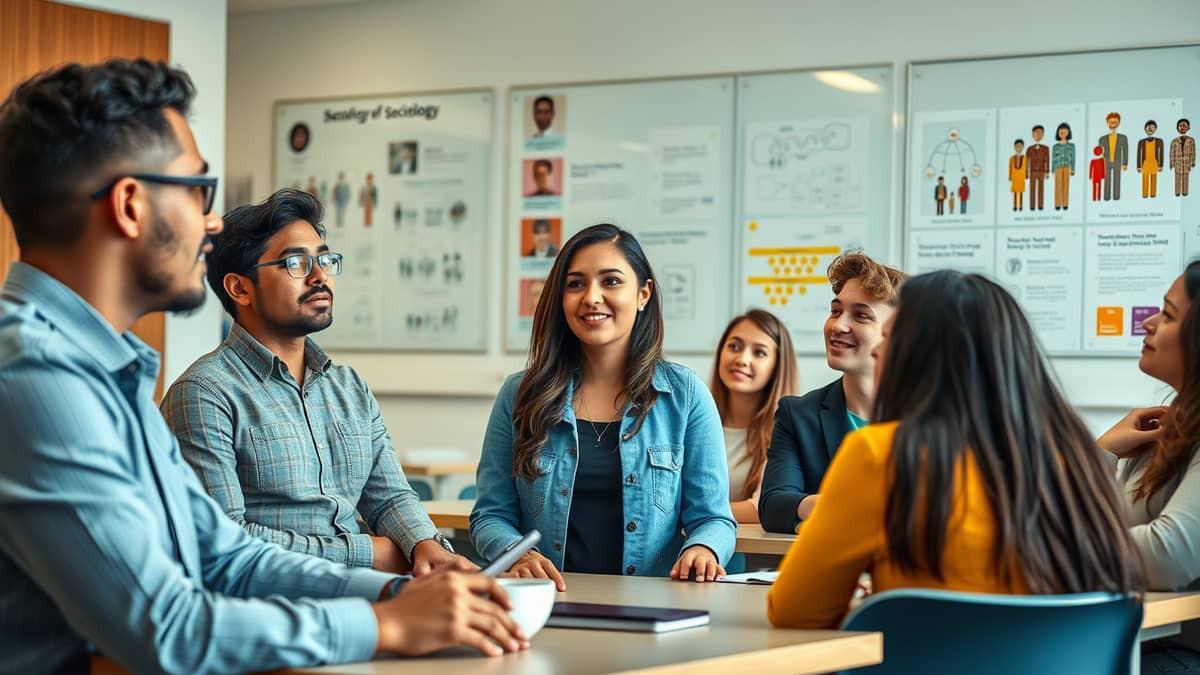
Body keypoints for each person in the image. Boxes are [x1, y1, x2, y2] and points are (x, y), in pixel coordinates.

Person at [0, 59, 525, 673]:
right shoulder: (34, 375)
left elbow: (224, 557)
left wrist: (403, 595)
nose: (212, 222)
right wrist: (383, 622)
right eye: (199, 191)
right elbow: (169, 627)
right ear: (131, 205)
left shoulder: (104, 370)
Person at [767, 270, 1142, 628]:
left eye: (891, 337)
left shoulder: (880, 453)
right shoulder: (1071, 454)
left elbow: (793, 610)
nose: (879, 352)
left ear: (926, 357)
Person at [162, 188, 473, 576]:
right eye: (295, 262)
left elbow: (389, 496)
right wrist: (368, 555)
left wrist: (426, 545)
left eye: (324, 259)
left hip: (365, 595)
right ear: (240, 288)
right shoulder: (204, 394)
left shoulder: (348, 386)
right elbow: (221, 539)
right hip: (273, 605)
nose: (320, 276)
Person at [471, 223, 736, 590]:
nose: (591, 297)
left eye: (611, 281)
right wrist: (517, 553)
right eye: (576, 284)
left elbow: (714, 519)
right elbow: (490, 515)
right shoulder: (520, 394)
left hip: (651, 608)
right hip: (548, 604)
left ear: (644, 294)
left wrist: (703, 549)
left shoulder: (685, 395)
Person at [758, 252, 905, 533]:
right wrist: (841, 507)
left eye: (861, 315)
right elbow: (774, 506)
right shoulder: (798, 414)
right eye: (836, 311)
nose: (838, 326)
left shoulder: (932, 416)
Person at [1099, 260, 1200, 590]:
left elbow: (1168, 556)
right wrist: (1101, 452)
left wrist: (1055, 545)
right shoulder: (1169, 426)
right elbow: (1105, 523)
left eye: (1168, 315)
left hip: (1174, 640)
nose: (1149, 323)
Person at [709, 310, 798, 523]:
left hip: (748, 553)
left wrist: (692, 514)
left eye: (759, 353)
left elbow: (761, 509)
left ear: (777, 366)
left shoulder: (785, 431)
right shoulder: (691, 421)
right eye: (734, 347)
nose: (742, 359)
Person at [1100, 112, 1129, 201]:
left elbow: (1125, 150)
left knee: (1117, 179)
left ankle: (1116, 197)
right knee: (1107, 179)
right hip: (1106, 163)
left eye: (1115, 122)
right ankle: (1106, 197)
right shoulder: (1102, 139)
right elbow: (1100, 153)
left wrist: (1125, 164)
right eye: (1111, 122)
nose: (1113, 124)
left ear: (1118, 123)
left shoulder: (1123, 137)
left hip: (1117, 162)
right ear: (1107, 123)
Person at [1052, 122, 1076, 210]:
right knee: (1057, 186)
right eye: (1061, 132)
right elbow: (1053, 159)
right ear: (1058, 133)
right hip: (1057, 167)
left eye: (1065, 132)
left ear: (1068, 133)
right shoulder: (1055, 147)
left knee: (1066, 186)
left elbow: (1073, 158)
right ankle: (1057, 204)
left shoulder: (1071, 146)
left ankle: (1065, 204)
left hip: (1067, 167)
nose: (1063, 134)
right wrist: (1052, 170)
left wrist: (1073, 169)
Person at [1026, 124, 1050, 210]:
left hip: (1041, 171)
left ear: (1043, 134)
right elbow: (1026, 161)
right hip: (1032, 171)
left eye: (1040, 133)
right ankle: (1032, 206)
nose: (1038, 135)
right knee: (1032, 189)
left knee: (1041, 189)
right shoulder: (1029, 148)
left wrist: (1047, 172)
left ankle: (1040, 205)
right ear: (1032, 134)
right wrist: (1026, 172)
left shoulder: (1046, 148)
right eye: (1036, 133)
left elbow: (1047, 160)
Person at [1139, 120, 1164, 199]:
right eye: (1149, 127)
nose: (1150, 129)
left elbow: (1161, 153)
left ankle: (1153, 194)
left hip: (1154, 163)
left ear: (1155, 129)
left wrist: (1161, 165)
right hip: (1145, 164)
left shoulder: (1159, 141)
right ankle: (1145, 195)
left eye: (1153, 127)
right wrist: (1139, 166)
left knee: (1154, 180)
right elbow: (1139, 154)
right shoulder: (1141, 142)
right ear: (1145, 128)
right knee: (1145, 180)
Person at [1172, 118, 1194, 197]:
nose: (1182, 128)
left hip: (1186, 163)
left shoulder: (1191, 140)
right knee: (1177, 178)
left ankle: (1185, 192)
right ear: (1177, 127)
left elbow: (1193, 152)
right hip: (1178, 163)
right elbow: (1172, 152)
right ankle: (1177, 192)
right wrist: (1172, 163)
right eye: (1180, 126)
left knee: (1185, 178)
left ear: (1188, 127)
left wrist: (1192, 162)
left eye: (1185, 126)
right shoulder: (1174, 141)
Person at [1009, 138, 1027, 211]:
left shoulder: (1025, 158)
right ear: (1014, 147)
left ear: (1023, 147)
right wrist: (1010, 176)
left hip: (1021, 177)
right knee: (1015, 193)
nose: (1018, 148)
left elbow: (1026, 167)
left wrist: (1026, 175)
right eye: (1017, 146)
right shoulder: (1012, 158)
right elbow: (1010, 168)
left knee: (1021, 192)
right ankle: (1015, 206)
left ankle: (1021, 206)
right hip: (1015, 178)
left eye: (1020, 146)